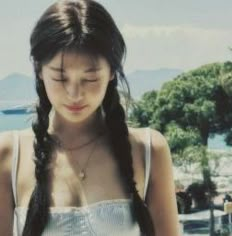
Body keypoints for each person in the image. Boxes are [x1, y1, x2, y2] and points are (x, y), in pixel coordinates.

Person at [0, 0, 180, 235]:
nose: (75, 94)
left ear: (113, 72)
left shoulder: (149, 150)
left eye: (90, 78)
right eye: (60, 78)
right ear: (38, 69)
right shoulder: (10, 155)